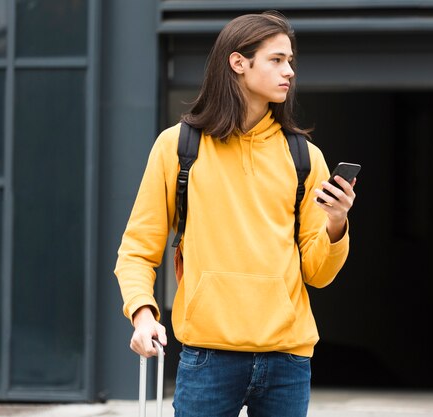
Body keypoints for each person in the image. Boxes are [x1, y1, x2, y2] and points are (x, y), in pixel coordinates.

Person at [115, 10, 357, 417]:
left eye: (291, 61)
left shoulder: (304, 157)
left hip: (287, 360)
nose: (290, 71)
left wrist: (336, 223)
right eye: (277, 60)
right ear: (238, 63)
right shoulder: (178, 148)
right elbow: (138, 249)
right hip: (209, 358)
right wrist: (142, 314)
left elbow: (318, 273)